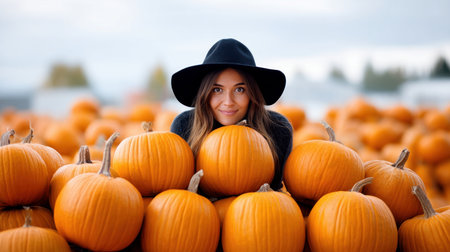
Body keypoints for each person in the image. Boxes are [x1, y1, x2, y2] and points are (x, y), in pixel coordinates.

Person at [170, 38, 292, 191]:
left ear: (252, 93)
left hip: (255, 213)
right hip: (202, 214)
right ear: (205, 93)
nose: (228, 102)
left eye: (239, 89)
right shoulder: (185, 125)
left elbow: (274, 197)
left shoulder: (277, 129)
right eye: (217, 90)